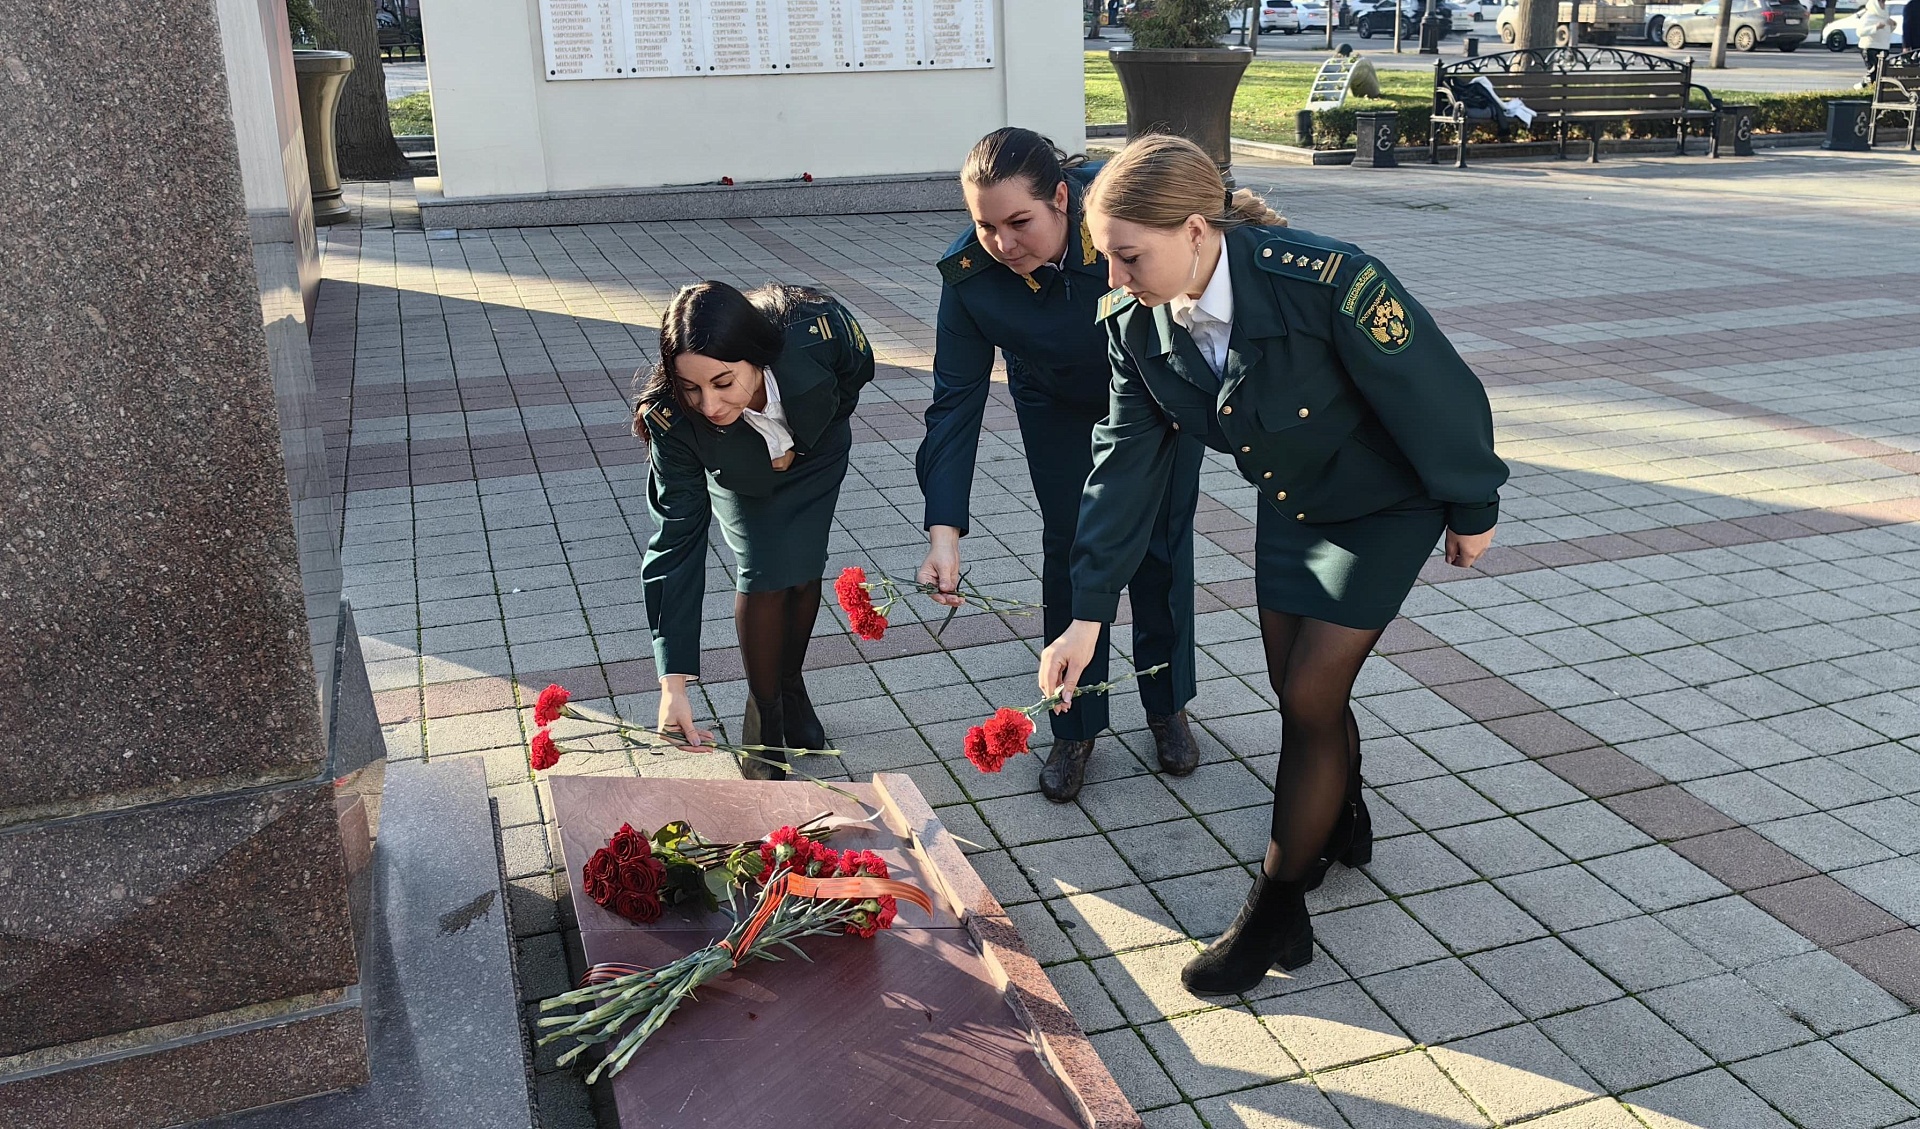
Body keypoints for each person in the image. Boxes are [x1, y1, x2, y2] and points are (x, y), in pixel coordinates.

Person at [1037, 135, 1507, 996]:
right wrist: (1085, 613)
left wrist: (1473, 504)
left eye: (1128, 255)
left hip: (1386, 505)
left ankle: (1277, 912)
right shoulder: (1136, 323)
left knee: (1308, 696)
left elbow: (1436, 390)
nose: (1114, 276)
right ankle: (1344, 815)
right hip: (1294, 505)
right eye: (1104, 256)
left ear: (1192, 230)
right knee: (1299, 687)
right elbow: (1121, 463)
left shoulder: (1325, 281)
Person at [918, 127, 1207, 803]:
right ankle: (1074, 724)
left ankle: (1166, 703)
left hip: (1156, 394)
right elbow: (953, 403)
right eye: (985, 225)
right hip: (1054, 403)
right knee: (1072, 546)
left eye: (1019, 222)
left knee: (1161, 544)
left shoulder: (1116, 223)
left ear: (1061, 198)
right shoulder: (970, 280)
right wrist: (944, 534)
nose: (1003, 244)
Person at [637, 280, 874, 779]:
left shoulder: (817, 332)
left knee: (804, 566)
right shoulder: (674, 423)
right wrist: (672, 686)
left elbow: (854, 376)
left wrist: (799, 448)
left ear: (759, 358)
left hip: (816, 458)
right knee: (765, 570)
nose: (708, 404)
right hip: (738, 470)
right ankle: (764, 719)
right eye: (691, 387)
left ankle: (791, 688)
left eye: (723, 383)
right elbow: (674, 546)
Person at [1859, 0, 1896, 87]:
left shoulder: (1885, 16)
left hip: (1884, 48)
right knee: (1873, 70)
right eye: (1880, 2)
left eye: (1884, 2)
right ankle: (1865, 86)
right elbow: (1860, 32)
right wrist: (1875, 27)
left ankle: (1872, 88)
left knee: (1880, 72)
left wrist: (1893, 25)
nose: (1883, 4)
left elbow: (1887, 32)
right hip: (1870, 47)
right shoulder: (1868, 16)